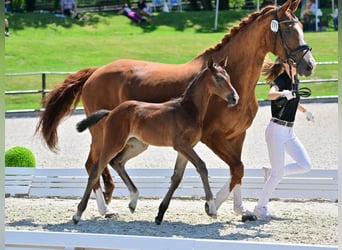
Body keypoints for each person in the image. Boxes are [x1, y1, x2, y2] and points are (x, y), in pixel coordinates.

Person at [253, 57, 314, 220]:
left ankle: (270, 172)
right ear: (286, 65)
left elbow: (294, 99)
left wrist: (305, 111)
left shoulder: (295, 81)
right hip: (276, 131)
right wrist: (282, 93)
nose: (297, 66)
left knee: (305, 165)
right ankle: (260, 208)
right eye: (294, 64)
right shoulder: (281, 79)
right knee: (278, 174)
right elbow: (271, 94)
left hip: (289, 132)